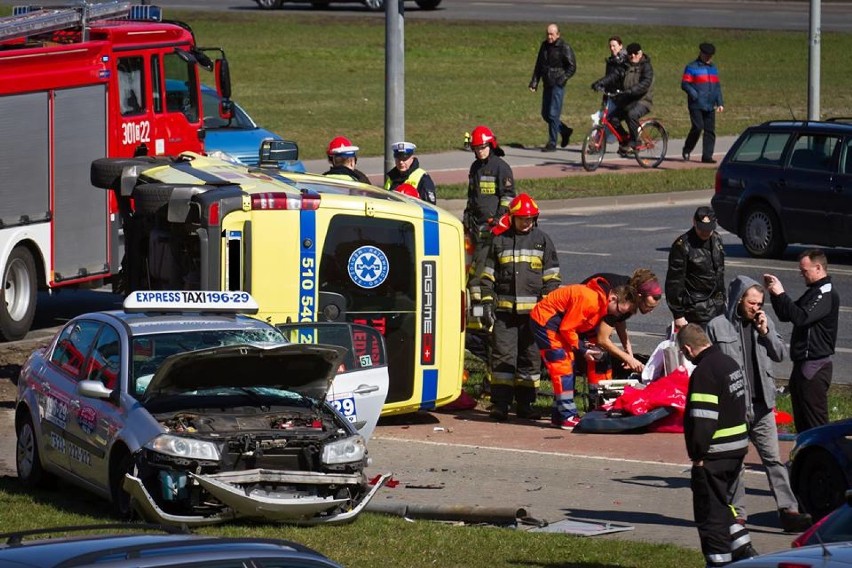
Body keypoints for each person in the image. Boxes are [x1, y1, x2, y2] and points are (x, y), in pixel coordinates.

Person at [706, 276, 813, 533]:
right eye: (752, 303)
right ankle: (738, 516)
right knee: (736, 464)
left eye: (760, 303)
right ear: (738, 300)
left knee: (774, 460)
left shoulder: (763, 322)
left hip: (763, 405)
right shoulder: (717, 326)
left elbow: (779, 354)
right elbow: (708, 366)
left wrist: (765, 332)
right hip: (733, 408)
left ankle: (789, 511)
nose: (756, 308)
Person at [678, 323, 757, 566]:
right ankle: (744, 550)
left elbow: (703, 418)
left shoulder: (704, 372)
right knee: (724, 506)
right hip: (736, 449)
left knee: (710, 515)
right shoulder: (728, 363)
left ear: (689, 349)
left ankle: (718, 561)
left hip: (714, 455)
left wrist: (698, 455)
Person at [479, 194, 561, 422]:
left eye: (531, 219)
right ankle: (500, 405)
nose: (527, 223)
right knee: (503, 359)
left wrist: (547, 305)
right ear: (512, 218)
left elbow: (552, 278)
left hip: (534, 316)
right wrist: (486, 303)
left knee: (530, 360)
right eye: (523, 218)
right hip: (505, 314)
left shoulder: (543, 241)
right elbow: (487, 277)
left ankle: (526, 405)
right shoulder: (499, 241)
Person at [530, 279, 637, 430]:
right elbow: (567, 328)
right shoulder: (591, 300)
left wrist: (581, 346)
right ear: (612, 298)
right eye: (619, 311)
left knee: (567, 366)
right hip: (546, 323)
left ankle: (559, 415)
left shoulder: (599, 302)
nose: (617, 316)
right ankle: (567, 415)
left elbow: (572, 327)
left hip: (554, 325)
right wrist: (583, 349)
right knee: (562, 368)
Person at [765, 249, 840, 433]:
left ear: (818, 267)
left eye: (805, 271)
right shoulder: (813, 292)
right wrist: (775, 294)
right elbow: (787, 314)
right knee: (802, 423)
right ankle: (803, 459)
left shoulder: (826, 293)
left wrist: (782, 294)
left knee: (816, 424)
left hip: (815, 367)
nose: (802, 275)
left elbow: (801, 318)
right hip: (801, 365)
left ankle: (823, 459)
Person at [578, 269, 662, 406]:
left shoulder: (631, 295)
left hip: (594, 316)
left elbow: (620, 320)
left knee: (605, 362)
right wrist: (628, 358)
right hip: (582, 315)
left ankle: (600, 402)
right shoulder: (622, 298)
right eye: (649, 306)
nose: (650, 311)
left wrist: (627, 349)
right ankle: (595, 404)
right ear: (640, 296)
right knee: (599, 358)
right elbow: (602, 339)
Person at [463, 125, 515, 305]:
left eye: (483, 147)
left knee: (482, 261)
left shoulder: (501, 167)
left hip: (492, 225)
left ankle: (480, 300)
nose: (480, 151)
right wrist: (467, 217)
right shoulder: (475, 167)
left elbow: (508, 196)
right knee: (471, 259)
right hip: (475, 224)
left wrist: (499, 218)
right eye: (476, 148)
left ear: (491, 145)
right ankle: (474, 297)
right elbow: (472, 195)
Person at [665, 206, 725, 329]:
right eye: (702, 229)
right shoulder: (683, 245)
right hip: (696, 309)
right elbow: (674, 282)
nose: (705, 232)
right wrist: (678, 314)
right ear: (694, 222)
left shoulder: (717, 239)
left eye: (709, 229)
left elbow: (719, 273)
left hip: (718, 307)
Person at [591, 42, 653, 156]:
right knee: (612, 119)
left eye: (635, 53)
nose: (632, 56)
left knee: (631, 115)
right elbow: (614, 75)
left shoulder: (646, 67)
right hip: (628, 100)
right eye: (630, 54)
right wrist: (599, 83)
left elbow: (645, 84)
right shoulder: (626, 65)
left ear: (640, 53)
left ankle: (635, 142)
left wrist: (630, 91)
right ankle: (625, 140)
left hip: (643, 100)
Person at [529, 23, 576, 152]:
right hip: (547, 83)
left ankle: (552, 142)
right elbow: (539, 65)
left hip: (557, 84)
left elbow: (572, 66)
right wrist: (534, 82)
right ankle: (565, 130)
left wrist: (562, 79)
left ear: (558, 34)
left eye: (552, 34)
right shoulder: (544, 46)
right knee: (545, 114)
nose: (549, 36)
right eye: (548, 34)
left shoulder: (564, 47)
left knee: (553, 114)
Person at [681, 42, 725, 164]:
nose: (709, 58)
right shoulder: (692, 67)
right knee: (697, 127)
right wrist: (694, 94)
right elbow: (685, 84)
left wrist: (720, 102)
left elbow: (717, 87)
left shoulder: (713, 68)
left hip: (710, 104)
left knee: (710, 131)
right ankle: (687, 149)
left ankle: (707, 156)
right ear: (701, 53)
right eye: (706, 55)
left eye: (711, 56)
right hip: (696, 104)